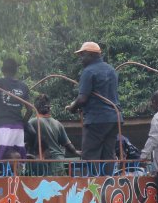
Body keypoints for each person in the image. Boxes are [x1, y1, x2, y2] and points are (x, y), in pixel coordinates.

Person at [66, 41, 120, 172]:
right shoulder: (111, 69)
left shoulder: (88, 71)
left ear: (91, 55)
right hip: (114, 118)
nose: (81, 59)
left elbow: (82, 99)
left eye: (83, 55)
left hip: (97, 119)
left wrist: (72, 107)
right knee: (108, 155)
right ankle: (107, 184)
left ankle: (93, 187)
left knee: (90, 155)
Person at [26, 94, 79, 175]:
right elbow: (69, 146)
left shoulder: (32, 122)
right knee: (60, 186)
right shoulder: (57, 123)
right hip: (58, 162)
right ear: (49, 107)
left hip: (42, 162)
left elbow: (26, 141)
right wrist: (77, 152)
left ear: (36, 107)